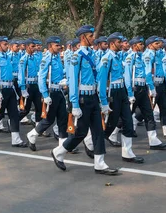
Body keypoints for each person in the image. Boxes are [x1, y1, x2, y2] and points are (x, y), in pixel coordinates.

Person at [51, 25, 119, 175]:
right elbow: (73, 81)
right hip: (82, 98)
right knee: (80, 133)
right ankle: (59, 152)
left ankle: (100, 163)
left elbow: (99, 80)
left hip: (93, 97)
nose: (93, 38)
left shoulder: (93, 55)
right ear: (83, 38)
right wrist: (74, 104)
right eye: (90, 36)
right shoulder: (77, 57)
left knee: (98, 131)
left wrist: (103, 102)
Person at [98, 32, 144, 163]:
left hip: (122, 91)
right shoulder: (107, 58)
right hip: (113, 93)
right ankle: (94, 144)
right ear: (112, 43)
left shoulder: (118, 57)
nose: (123, 44)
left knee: (128, 121)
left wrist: (129, 94)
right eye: (119, 42)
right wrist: (104, 101)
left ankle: (127, 153)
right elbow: (101, 81)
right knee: (111, 123)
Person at [26, 36, 68, 151]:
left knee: (63, 118)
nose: (59, 47)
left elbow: (60, 72)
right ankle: (32, 134)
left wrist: (66, 76)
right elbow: (41, 77)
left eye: (59, 45)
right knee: (49, 119)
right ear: (50, 46)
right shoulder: (46, 59)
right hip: (51, 92)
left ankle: (62, 146)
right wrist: (45, 95)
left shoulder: (57, 58)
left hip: (59, 91)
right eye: (56, 45)